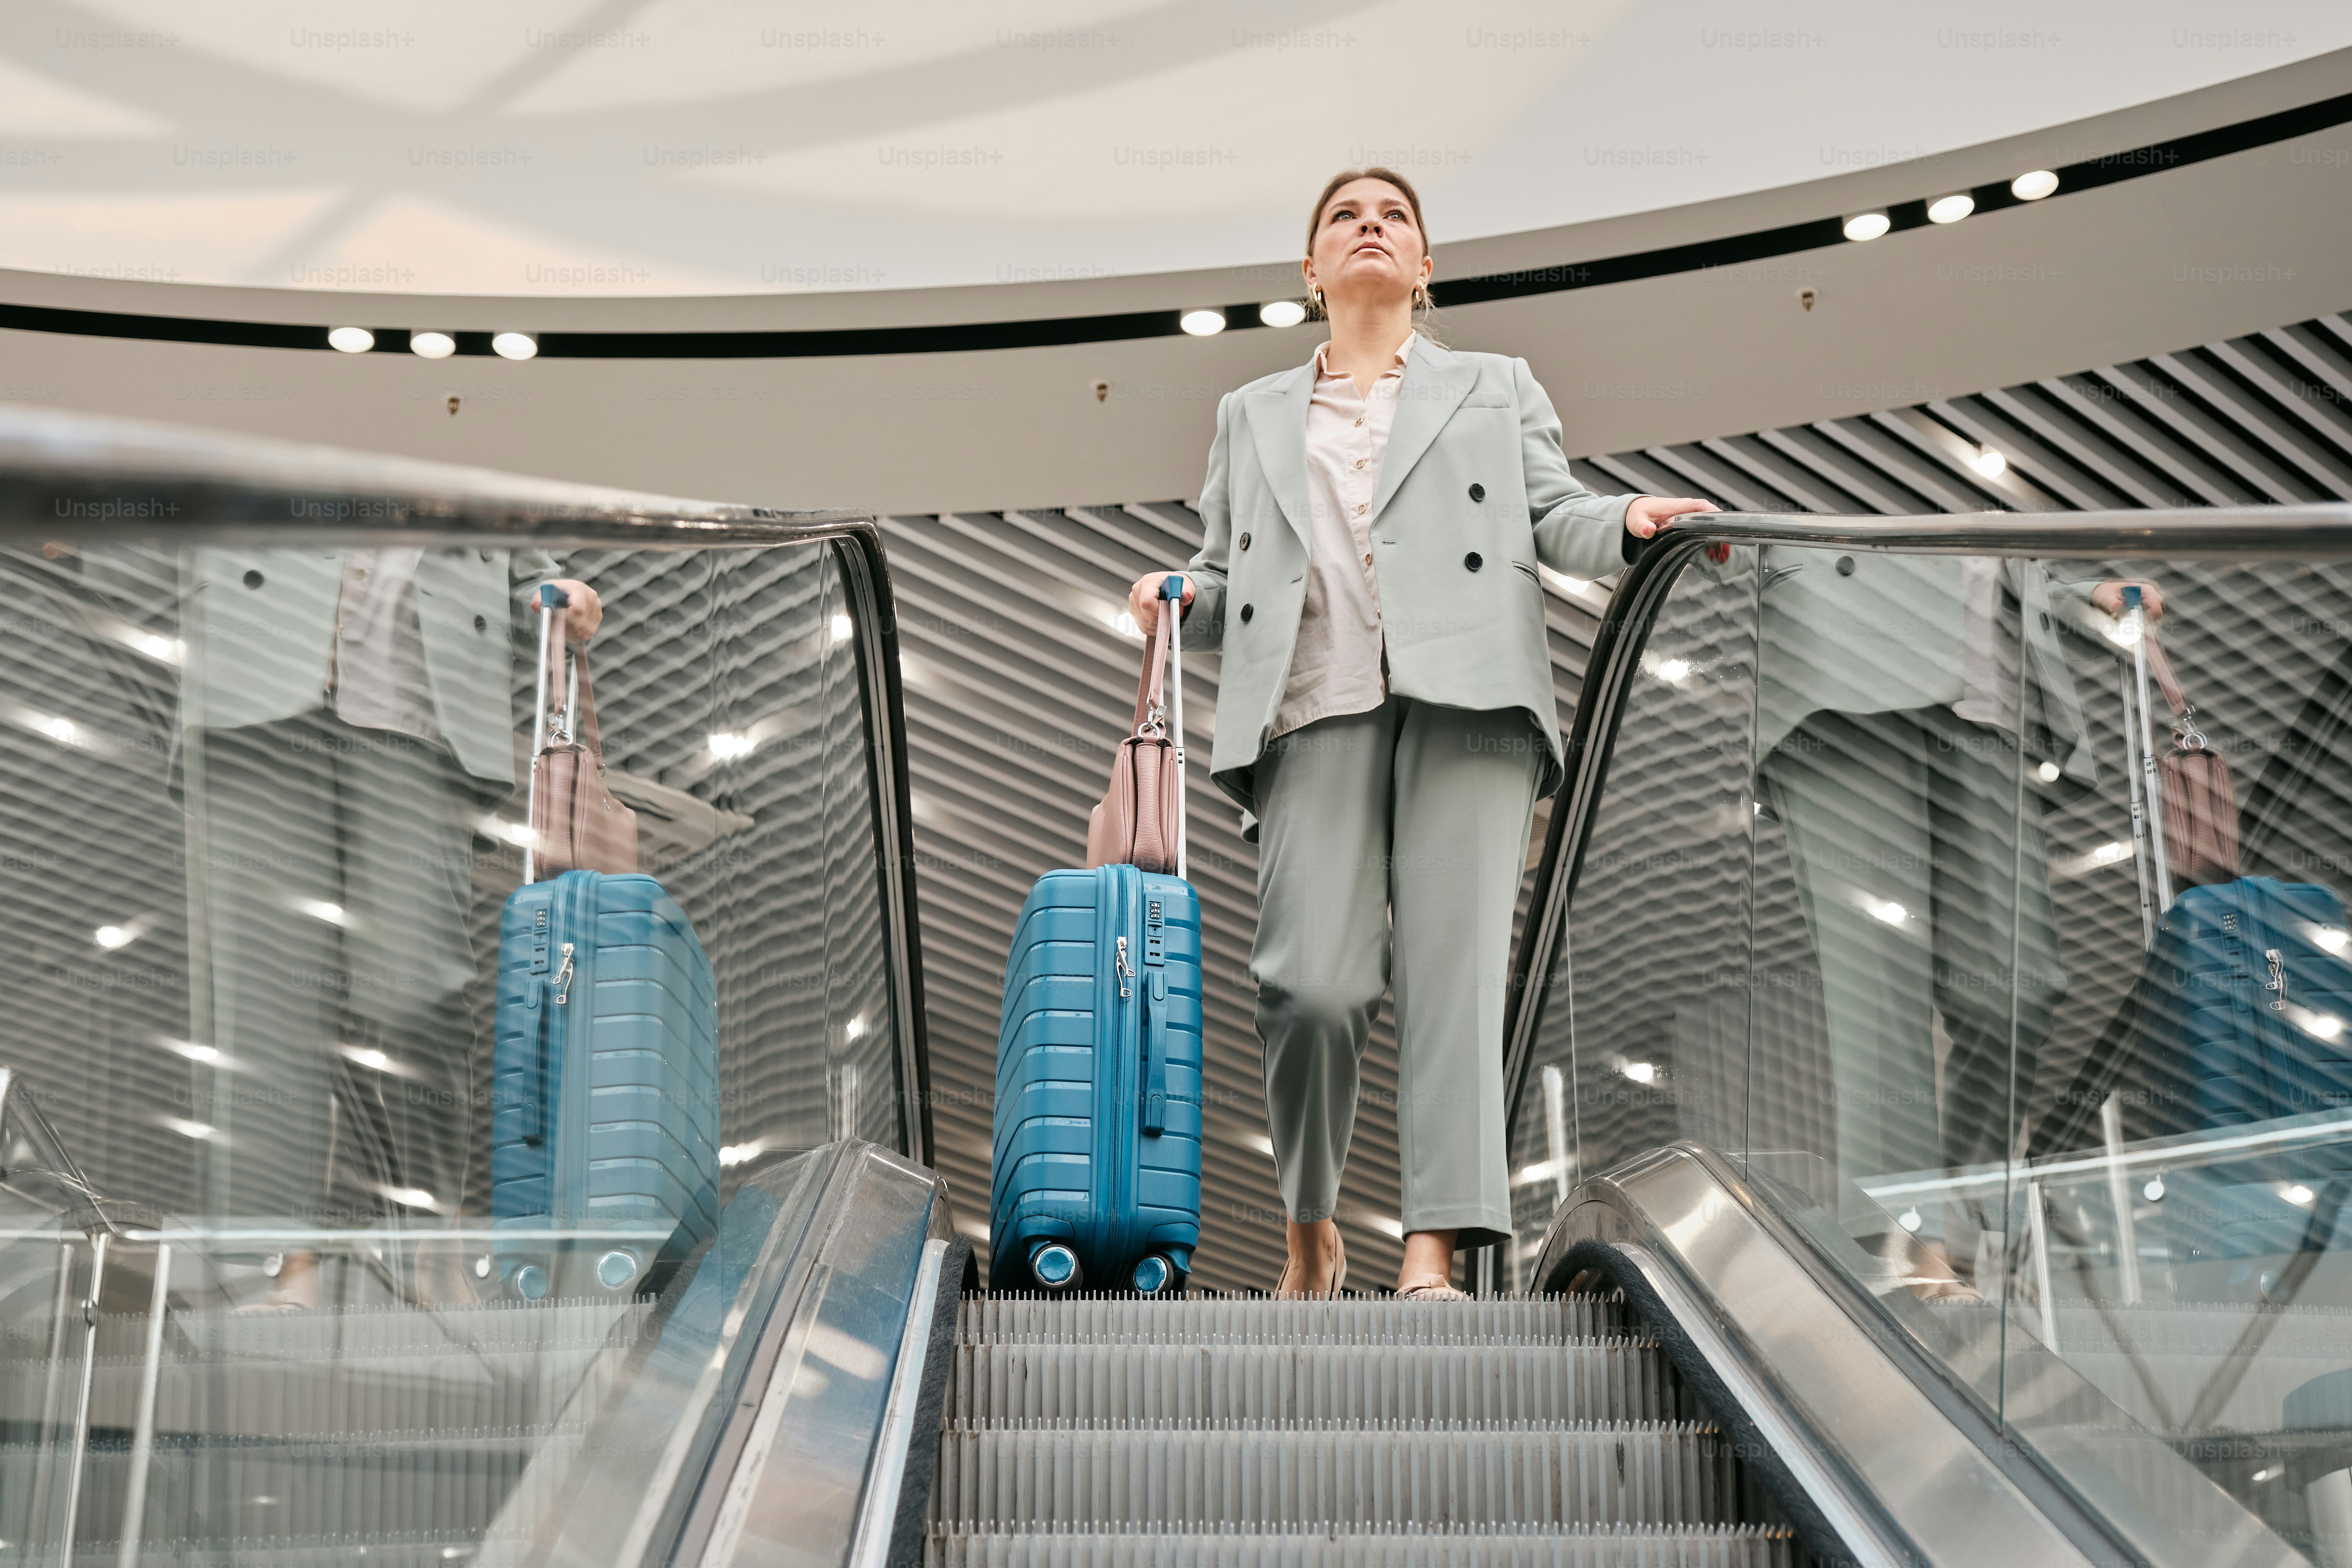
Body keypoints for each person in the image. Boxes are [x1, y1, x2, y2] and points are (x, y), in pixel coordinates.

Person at [1127, 168, 1715, 1299]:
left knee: (1455, 976)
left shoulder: (1496, 386)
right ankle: (1311, 1221)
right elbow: (1220, 573)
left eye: (1394, 215)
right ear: (1312, 269)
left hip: (1473, 703)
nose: (1370, 227)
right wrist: (1170, 598)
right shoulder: (1248, 414)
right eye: (1344, 216)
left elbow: (1555, 514)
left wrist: (1630, 523)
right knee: (1312, 986)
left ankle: (1432, 1252)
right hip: (1311, 707)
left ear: (1425, 265)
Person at [168, 543, 602, 1304]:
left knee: (416, 991)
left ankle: (423, 1245)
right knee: (264, 1002)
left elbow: (514, 501)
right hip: (255, 659)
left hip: (419, 691)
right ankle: (273, 1266)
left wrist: (551, 581)